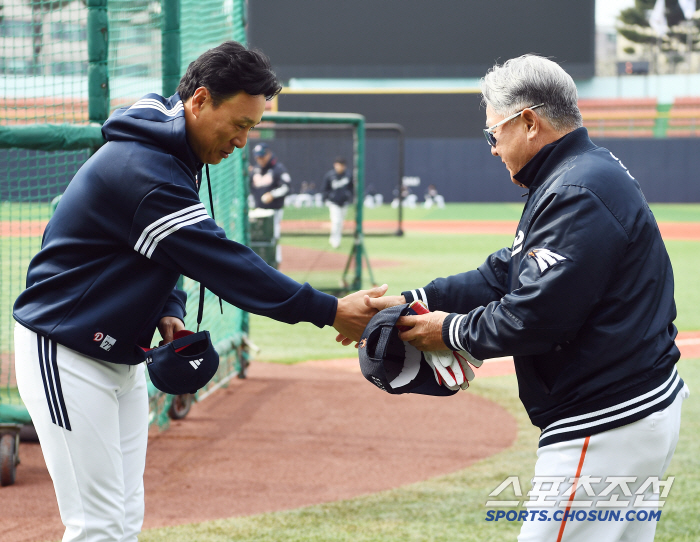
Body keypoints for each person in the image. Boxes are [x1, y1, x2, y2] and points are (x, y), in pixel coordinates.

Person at [12, 41, 385, 542]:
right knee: (95, 525)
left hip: (118, 353)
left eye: (252, 127)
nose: (242, 140)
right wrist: (330, 310)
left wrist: (168, 306)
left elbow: (155, 251)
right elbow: (224, 263)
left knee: (122, 520)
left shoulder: (171, 151)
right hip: (66, 353)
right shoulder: (145, 168)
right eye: (240, 124)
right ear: (201, 100)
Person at [358, 55, 687, 542]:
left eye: (494, 134)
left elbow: (536, 317)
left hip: (604, 419)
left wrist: (445, 330)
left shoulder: (576, 187)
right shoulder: (579, 172)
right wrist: (409, 301)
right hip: (630, 406)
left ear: (529, 122)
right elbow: (504, 273)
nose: (492, 149)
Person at [249, 142, 289, 264]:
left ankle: (275, 262)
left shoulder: (278, 169)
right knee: (256, 238)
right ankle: (260, 263)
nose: (259, 159)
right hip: (258, 210)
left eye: (262, 156)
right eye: (257, 156)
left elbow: (286, 187)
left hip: (274, 210)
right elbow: (250, 189)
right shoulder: (255, 170)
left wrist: (272, 194)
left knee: (273, 236)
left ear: (269, 154)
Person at [321, 156, 354, 249]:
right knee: (336, 222)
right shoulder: (330, 175)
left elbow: (352, 188)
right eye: (338, 165)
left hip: (344, 202)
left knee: (340, 223)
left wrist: (349, 196)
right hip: (333, 202)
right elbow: (324, 189)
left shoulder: (348, 175)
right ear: (335, 165)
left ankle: (334, 238)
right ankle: (335, 240)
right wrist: (326, 199)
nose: (339, 167)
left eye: (342, 165)